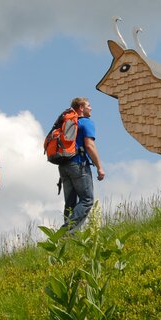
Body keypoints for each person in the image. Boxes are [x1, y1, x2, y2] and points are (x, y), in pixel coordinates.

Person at [60, 97, 105, 232]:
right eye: (88, 106)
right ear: (81, 107)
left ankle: (68, 238)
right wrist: (99, 167)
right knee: (87, 200)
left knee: (70, 203)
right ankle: (64, 232)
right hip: (78, 164)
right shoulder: (86, 122)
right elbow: (89, 145)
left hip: (63, 165)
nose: (91, 108)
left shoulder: (67, 123)